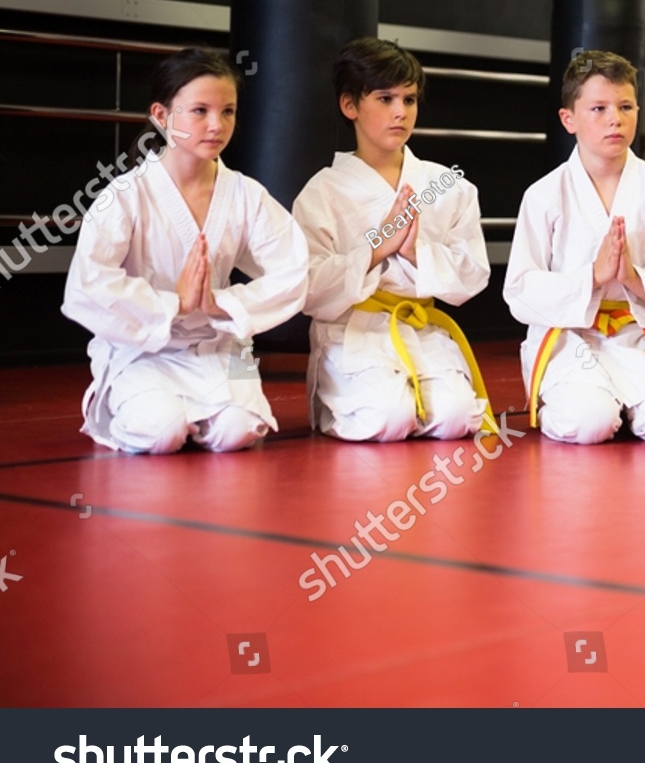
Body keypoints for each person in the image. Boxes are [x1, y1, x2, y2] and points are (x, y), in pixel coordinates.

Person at [61, 48, 308, 453]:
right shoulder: (125, 196)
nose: (216, 125)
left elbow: (294, 269)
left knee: (241, 431)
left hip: (222, 345)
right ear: (161, 116)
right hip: (141, 348)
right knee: (161, 433)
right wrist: (172, 303)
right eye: (199, 111)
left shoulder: (245, 194)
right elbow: (87, 286)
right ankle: (142, 405)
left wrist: (221, 304)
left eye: (227, 111)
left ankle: (209, 415)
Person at [293, 38, 497, 443]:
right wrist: (376, 249)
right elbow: (308, 288)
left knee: (457, 419)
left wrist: (414, 253)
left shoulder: (448, 185)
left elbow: (473, 276)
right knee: (387, 419)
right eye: (385, 99)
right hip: (353, 330)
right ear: (350, 106)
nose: (401, 112)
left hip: (420, 327)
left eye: (409, 99)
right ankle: (343, 404)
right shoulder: (323, 192)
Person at [503, 50, 645, 445]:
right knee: (588, 423)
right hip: (569, 338)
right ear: (569, 119)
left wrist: (634, 279)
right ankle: (577, 402)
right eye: (598, 108)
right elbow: (520, 290)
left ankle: (629, 403)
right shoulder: (544, 195)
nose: (615, 118)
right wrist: (592, 278)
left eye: (626, 106)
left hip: (636, 335)